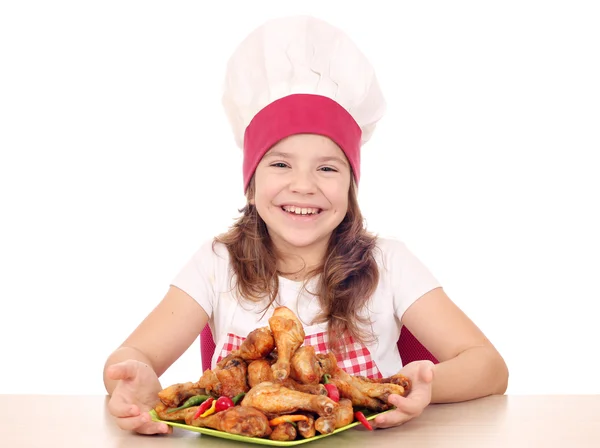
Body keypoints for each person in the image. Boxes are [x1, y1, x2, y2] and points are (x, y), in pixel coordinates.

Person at [103, 15, 509, 436]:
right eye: (280, 164)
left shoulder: (389, 263)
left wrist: (418, 385)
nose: (303, 185)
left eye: (327, 168)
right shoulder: (216, 263)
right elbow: (133, 356)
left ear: (351, 186)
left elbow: (490, 367)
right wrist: (132, 379)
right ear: (251, 182)